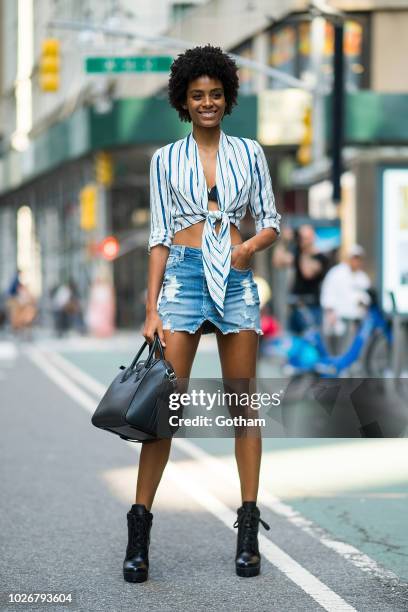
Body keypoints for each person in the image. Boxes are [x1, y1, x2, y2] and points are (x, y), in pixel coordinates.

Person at [123, 44, 281, 584]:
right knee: (163, 409)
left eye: (215, 94)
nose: (207, 103)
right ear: (183, 102)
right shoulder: (164, 160)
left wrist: (249, 249)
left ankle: (247, 528)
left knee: (244, 406)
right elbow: (159, 237)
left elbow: (271, 220)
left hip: (235, 279)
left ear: (226, 98)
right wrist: (151, 307)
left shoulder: (251, 153)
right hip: (185, 279)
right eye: (197, 96)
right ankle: (139, 529)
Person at [320, 244, 371, 354]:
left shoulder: (362, 277)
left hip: (355, 320)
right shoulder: (336, 273)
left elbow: (365, 296)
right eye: (354, 258)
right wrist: (330, 312)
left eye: (359, 259)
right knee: (337, 350)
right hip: (338, 319)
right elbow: (328, 293)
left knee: (353, 349)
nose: (356, 261)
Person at [289, 224, 329, 334]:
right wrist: (284, 242)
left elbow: (307, 273)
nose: (302, 241)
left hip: (311, 307)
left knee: (311, 341)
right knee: (294, 343)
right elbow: (277, 261)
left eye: (305, 238)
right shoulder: (299, 254)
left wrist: (304, 251)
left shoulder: (321, 258)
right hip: (296, 305)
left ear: (312, 238)